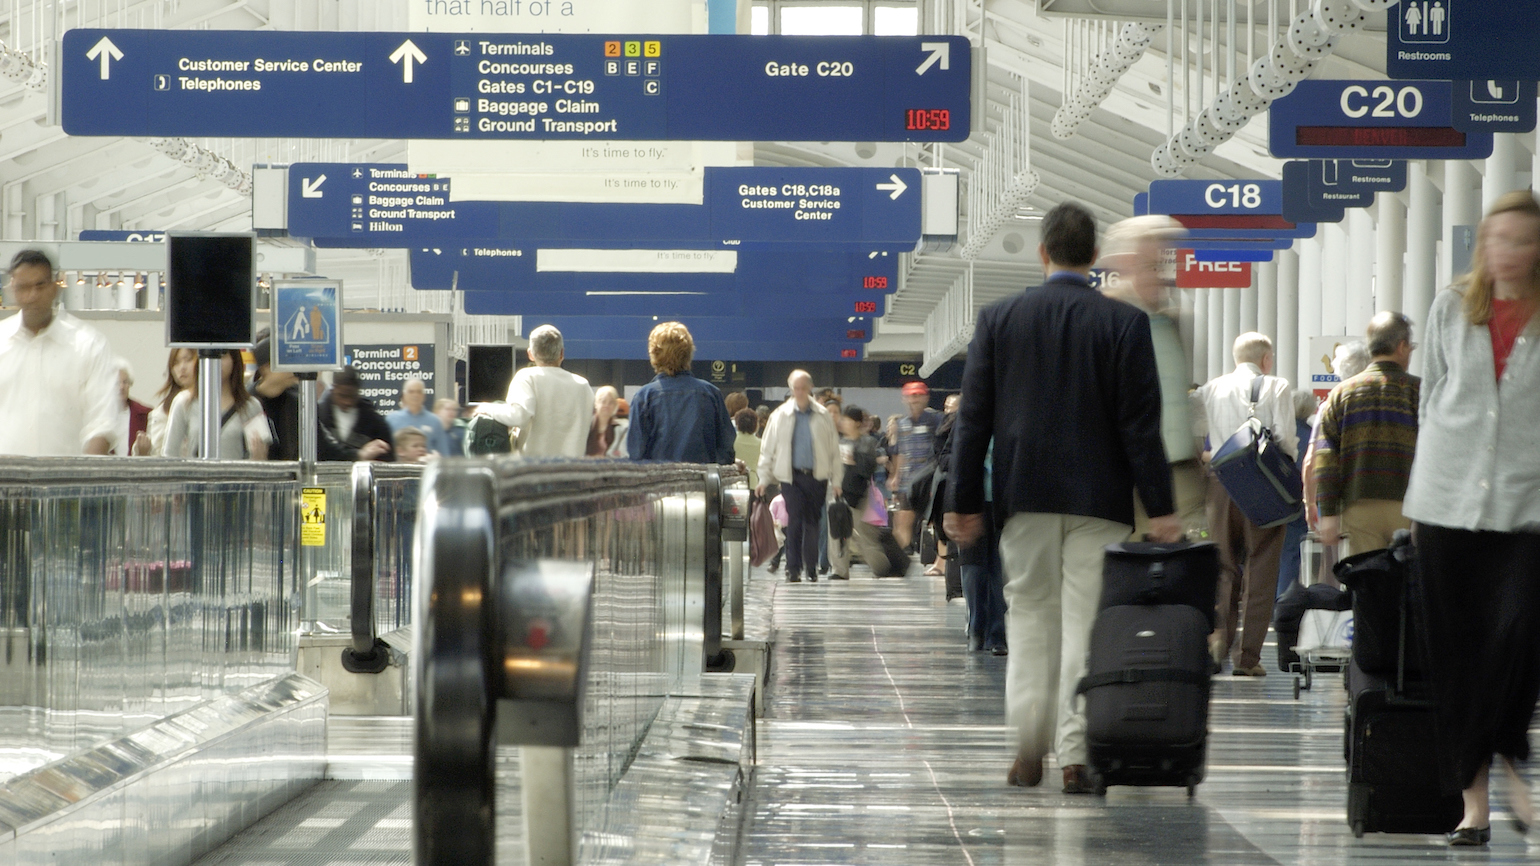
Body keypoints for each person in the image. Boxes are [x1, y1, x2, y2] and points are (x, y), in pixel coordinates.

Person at [944, 201, 1179, 795]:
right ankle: (1076, 756)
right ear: (1094, 257)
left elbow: (973, 421)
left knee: (1028, 618)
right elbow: (1141, 427)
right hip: (1101, 503)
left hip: (1024, 497)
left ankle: (1028, 745)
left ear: (1042, 252)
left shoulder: (999, 319)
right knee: (1085, 626)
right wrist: (1161, 507)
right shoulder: (1124, 324)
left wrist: (962, 501)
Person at [1403, 190, 1540, 846]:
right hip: (1446, 501)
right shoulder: (1451, 307)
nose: (1506, 251)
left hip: (1527, 506)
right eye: (1497, 238)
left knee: (1519, 637)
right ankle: (1474, 802)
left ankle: (1509, 750)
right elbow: (1431, 397)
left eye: (1521, 240)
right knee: (1456, 654)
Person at [1197, 332, 1300, 677]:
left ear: (1235, 357)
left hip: (1221, 483)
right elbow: (1284, 439)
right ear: (1266, 359)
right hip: (1263, 484)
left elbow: (1194, 433)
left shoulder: (1211, 389)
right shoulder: (1276, 386)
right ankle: (1247, 658)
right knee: (1262, 566)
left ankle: (1218, 647)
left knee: (1223, 566)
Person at [1099, 215, 1208, 539]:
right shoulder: (1105, 318)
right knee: (1128, 564)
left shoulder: (1173, 320)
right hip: (1126, 480)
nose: (1161, 275)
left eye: (1164, 263)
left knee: (1190, 562)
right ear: (1124, 263)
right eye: (1151, 264)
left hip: (1181, 478)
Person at [1314, 317, 1419, 557]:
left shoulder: (1341, 394)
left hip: (1357, 506)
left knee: (1366, 574)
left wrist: (1328, 513)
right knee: (1410, 575)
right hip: (1410, 506)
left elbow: (1326, 457)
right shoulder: (1419, 391)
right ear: (1402, 346)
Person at [0, 249, 118, 456]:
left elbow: (102, 424)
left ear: (55, 287)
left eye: (40, 286)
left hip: (67, 475)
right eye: (23, 287)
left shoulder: (88, 345)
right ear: (12, 290)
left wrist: (83, 474)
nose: (32, 296)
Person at [756, 370, 843, 583]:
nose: (800, 392)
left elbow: (834, 450)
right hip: (790, 477)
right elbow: (767, 449)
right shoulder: (780, 415)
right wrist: (763, 479)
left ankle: (811, 567)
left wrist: (837, 481)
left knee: (812, 522)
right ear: (791, 389)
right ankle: (793, 568)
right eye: (796, 388)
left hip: (817, 476)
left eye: (803, 388)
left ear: (810, 388)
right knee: (794, 520)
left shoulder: (822, 415)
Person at [477, 325, 594, 458]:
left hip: (534, 466)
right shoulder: (583, 385)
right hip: (573, 467)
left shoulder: (527, 377)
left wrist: (487, 408)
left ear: (530, 354)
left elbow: (518, 416)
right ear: (562, 353)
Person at [627, 322, 735, 464]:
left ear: (654, 354)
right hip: (702, 476)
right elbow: (726, 449)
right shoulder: (711, 394)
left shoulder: (644, 398)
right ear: (688, 353)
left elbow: (636, 454)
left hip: (660, 477)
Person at [163, 349, 272, 460]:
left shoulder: (251, 406)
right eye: (209, 354)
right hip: (197, 471)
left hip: (236, 471)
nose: (216, 360)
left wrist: (258, 457)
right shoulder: (183, 402)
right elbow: (169, 454)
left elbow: (261, 455)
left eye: (223, 354)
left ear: (234, 360)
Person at [829, 405, 896, 580]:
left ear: (857, 423)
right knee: (837, 534)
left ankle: (881, 567)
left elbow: (868, 469)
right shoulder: (839, 442)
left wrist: (854, 460)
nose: (844, 423)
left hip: (860, 495)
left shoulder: (867, 442)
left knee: (866, 536)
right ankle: (839, 570)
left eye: (847, 420)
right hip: (839, 493)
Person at [891, 382, 944, 551]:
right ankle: (900, 557)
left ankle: (939, 557)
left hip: (928, 480)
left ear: (926, 397)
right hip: (907, 482)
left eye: (918, 395)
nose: (914, 399)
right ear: (904, 398)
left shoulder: (936, 420)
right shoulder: (901, 424)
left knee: (935, 520)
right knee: (903, 520)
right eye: (911, 396)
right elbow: (900, 452)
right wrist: (896, 476)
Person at [318, 366, 395, 462]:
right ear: (333, 389)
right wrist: (359, 454)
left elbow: (388, 458)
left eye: (352, 396)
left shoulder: (374, 422)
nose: (347, 402)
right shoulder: (318, 416)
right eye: (342, 395)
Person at [136, 348, 198, 456]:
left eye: (188, 360)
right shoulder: (161, 412)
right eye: (176, 363)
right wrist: (143, 451)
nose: (182, 367)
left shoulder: (213, 402)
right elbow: (158, 455)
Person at [251, 330, 301, 460]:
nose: (293, 369)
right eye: (286, 363)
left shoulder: (299, 403)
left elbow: (324, 446)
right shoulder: (247, 404)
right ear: (266, 367)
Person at [388, 378, 452, 456]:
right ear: (404, 395)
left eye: (419, 392)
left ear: (424, 396)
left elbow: (443, 451)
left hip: (426, 463)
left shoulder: (435, 421)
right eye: (411, 392)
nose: (415, 395)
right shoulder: (392, 419)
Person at [111, 359, 151, 457]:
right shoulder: (100, 415)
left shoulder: (145, 414)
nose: (121, 387)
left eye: (125, 382)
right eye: (116, 383)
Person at [587, 385, 628, 458]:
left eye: (611, 402)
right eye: (603, 401)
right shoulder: (586, 425)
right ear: (595, 403)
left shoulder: (623, 429)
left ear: (615, 405)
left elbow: (623, 454)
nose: (606, 405)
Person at [733, 409, 761, 490]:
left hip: (734, 483)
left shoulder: (731, 440)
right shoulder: (761, 443)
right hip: (752, 483)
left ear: (737, 424)